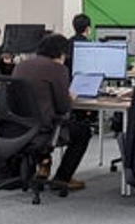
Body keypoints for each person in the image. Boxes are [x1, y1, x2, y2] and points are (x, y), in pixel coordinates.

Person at [9, 33, 90, 190]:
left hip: (17, 126)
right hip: (44, 128)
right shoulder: (58, 69)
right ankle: (62, 178)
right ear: (61, 53)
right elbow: (63, 107)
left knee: (50, 120)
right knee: (83, 132)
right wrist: (70, 98)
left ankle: (44, 162)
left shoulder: (21, 65)